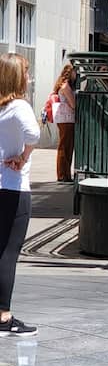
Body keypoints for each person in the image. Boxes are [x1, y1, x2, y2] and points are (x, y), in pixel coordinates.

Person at [0, 53, 40, 336]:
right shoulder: (19, 106)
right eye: (26, 73)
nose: (29, 77)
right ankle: (4, 314)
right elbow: (34, 134)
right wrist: (23, 157)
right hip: (13, 186)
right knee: (8, 252)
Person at [51, 61, 77, 182]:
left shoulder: (63, 84)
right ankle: (62, 175)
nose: (76, 75)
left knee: (66, 146)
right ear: (70, 73)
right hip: (67, 119)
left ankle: (65, 174)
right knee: (65, 146)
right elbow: (73, 104)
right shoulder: (66, 86)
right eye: (75, 72)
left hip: (65, 119)